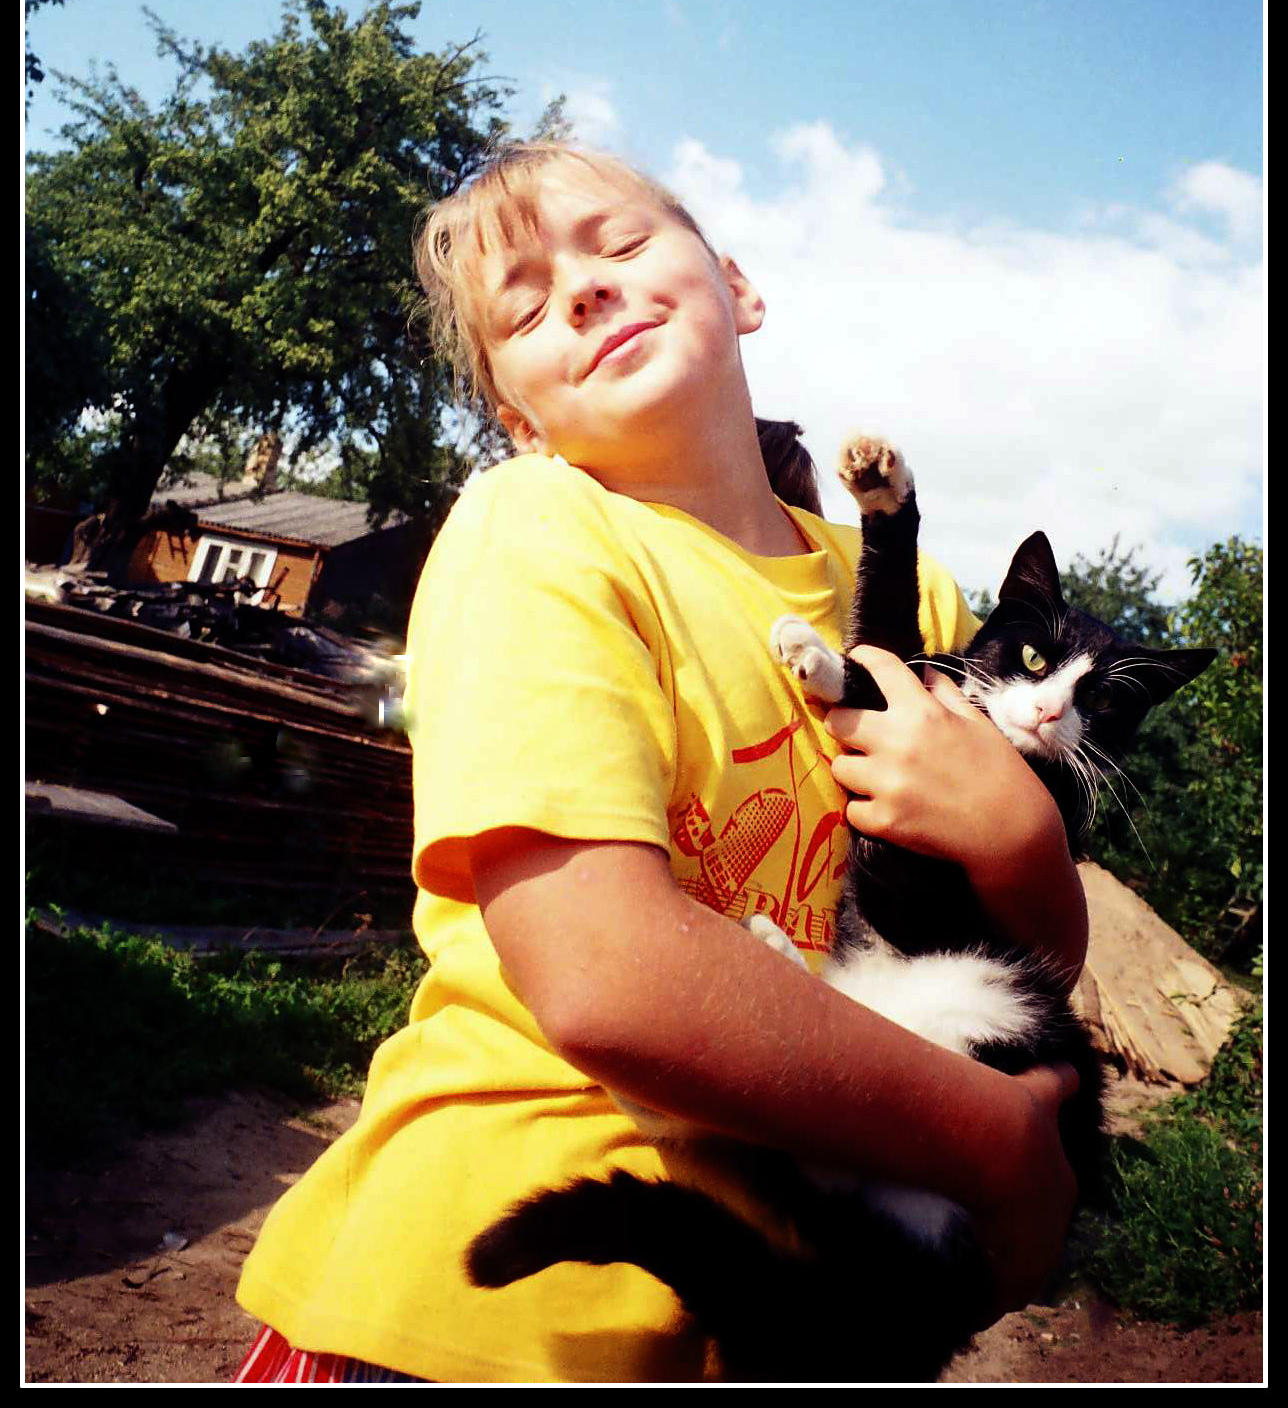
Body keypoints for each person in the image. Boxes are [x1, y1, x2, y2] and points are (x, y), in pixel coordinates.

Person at [234, 140, 1088, 1384]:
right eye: (525, 307)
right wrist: (994, 1148)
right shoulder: (539, 530)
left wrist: (1021, 840)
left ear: (737, 288)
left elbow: (1022, 975)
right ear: (519, 420)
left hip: (806, 1306)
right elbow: (605, 978)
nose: (582, 289)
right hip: (496, 1307)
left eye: (621, 244)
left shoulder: (921, 604)